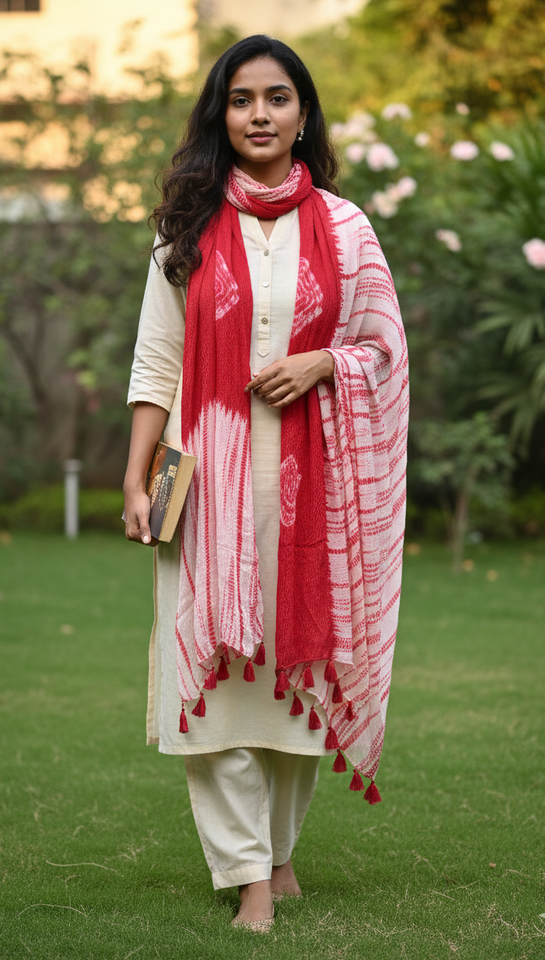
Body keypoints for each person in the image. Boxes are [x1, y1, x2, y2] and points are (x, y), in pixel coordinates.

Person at [123, 34, 408, 933]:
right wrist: (136, 480)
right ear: (220, 114)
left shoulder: (348, 228)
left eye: (276, 98)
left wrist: (322, 361)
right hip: (208, 492)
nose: (258, 115)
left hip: (313, 498)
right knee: (212, 685)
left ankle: (279, 854)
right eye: (241, 99)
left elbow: (384, 350)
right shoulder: (186, 232)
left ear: (301, 113)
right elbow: (155, 365)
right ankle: (248, 875)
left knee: (296, 681)